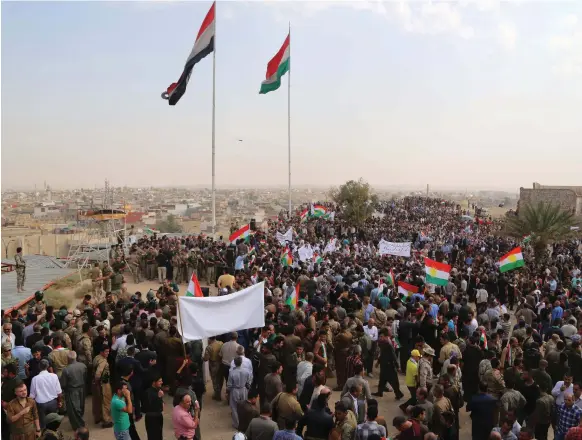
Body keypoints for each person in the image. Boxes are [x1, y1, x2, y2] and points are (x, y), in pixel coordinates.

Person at [29, 359, 62, 429]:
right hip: (53, 403)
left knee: (43, 423)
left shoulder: (35, 379)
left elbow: (32, 396)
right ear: (47, 366)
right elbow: (59, 392)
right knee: (54, 421)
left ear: (39, 367)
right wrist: (59, 402)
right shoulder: (54, 376)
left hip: (41, 405)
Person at [61, 351, 87, 431]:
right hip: (82, 389)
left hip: (72, 391)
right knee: (81, 406)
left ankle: (79, 426)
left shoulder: (66, 370)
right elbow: (85, 377)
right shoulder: (83, 366)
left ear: (68, 359)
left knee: (74, 409)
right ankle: (80, 423)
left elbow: (64, 384)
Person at [228, 356, 253, 429]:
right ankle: (244, 422)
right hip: (244, 389)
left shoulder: (232, 372)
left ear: (234, 363)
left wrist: (228, 391)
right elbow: (249, 381)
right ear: (241, 362)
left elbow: (229, 384)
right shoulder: (246, 371)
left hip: (235, 390)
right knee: (244, 406)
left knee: (234, 407)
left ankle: (237, 424)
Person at [93, 344, 113, 428]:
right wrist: (98, 382)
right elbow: (98, 374)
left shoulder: (96, 357)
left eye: (108, 351)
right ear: (101, 352)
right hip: (104, 383)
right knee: (106, 401)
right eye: (106, 351)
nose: (108, 353)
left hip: (98, 383)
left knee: (97, 401)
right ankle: (106, 420)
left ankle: (98, 417)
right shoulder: (103, 361)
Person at [143, 375, 164, 440]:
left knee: (159, 435)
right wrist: (159, 398)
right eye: (159, 381)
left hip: (158, 416)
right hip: (152, 418)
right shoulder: (148, 392)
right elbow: (148, 407)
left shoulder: (158, 390)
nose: (161, 382)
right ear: (154, 382)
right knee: (153, 436)